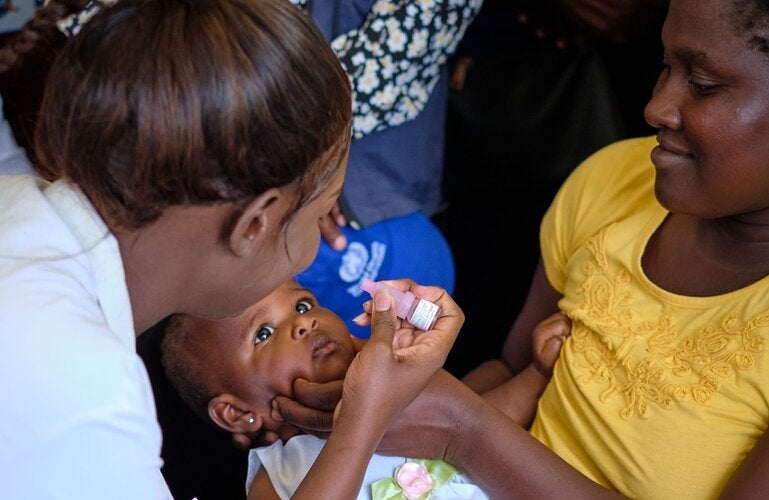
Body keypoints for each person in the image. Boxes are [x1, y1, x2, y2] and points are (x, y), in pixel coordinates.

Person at [268, 0, 769, 497]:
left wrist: (458, 426)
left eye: (703, 86)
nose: (655, 107)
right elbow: (514, 373)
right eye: (664, 65)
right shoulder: (615, 180)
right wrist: (377, 407)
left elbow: (471, 425)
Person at [0, 1, 463, 498]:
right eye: (322, 214)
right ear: (255, 223)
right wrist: (371, 420)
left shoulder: (15, 204)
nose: (310, 257)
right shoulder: (84, 397)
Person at [158, 279, 569, 499]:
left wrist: (537, 374)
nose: (304, 323)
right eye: (264, 333)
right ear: (237, 412)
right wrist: (362, 420)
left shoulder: (404, 400)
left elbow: (479, 421)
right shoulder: (278, 474)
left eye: (302, 305)